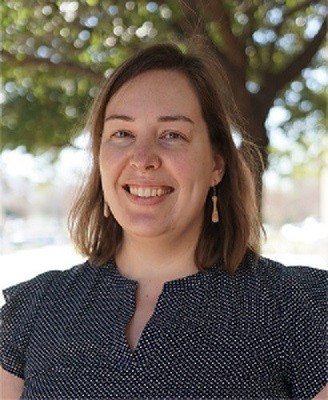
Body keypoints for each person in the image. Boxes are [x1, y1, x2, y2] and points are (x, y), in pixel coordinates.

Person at [0, 40, 327, 400]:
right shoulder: (33, 312)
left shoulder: (297, 306)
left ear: (216, 164)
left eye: (172, 135)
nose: (142, 159)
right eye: (122, 133)